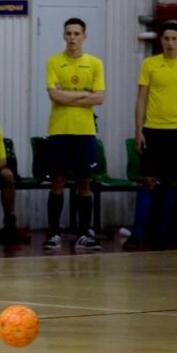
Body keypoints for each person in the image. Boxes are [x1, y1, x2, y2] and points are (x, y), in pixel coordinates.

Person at [124, 20, 177, 250]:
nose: (170, 42)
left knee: (170, 181)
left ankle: (164, 233)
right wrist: (138, 130)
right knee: (148, 180)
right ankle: (137, 233)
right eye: (166, 38)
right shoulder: (150, 64)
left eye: (174, 38)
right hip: (153, 130)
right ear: (161, 41)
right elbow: (141, 98)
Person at [42, 17, 105, 251]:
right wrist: (84, 95)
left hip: (84, 130)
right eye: (68, 33)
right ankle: (53, 233)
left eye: (76, 34)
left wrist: (67, 96)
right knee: (58, 180)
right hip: (59, 129)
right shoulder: (54, 62)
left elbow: (99, 98)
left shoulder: (95, 63)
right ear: (63, 36)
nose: (72, 38)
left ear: (84, 36)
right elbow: (54, 95)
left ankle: (83, 233)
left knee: (83, 181)